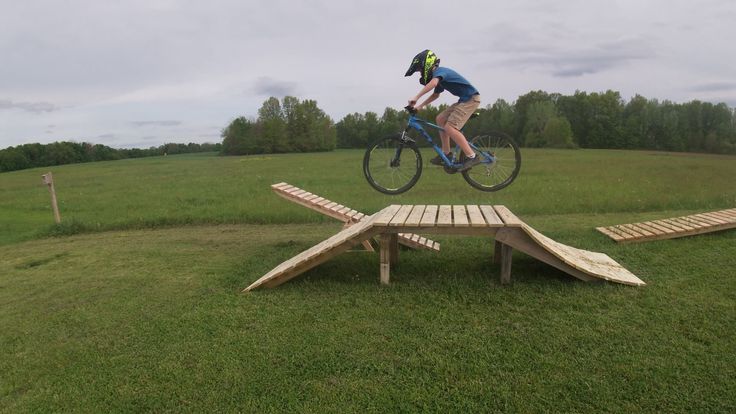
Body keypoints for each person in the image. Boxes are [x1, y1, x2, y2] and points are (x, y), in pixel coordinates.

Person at [405, 49, 482, 171]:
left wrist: (416, 97)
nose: (420, 73)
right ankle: (446, 154)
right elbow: (435, 95)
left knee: (450, 128)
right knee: (440, 118)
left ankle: (472, 156)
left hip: (471, 99)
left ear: (427, 64)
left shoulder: (441, 72)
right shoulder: (439, 78)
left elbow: (433, 84)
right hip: (464, 100)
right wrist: (419, 106)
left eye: (420, 70)